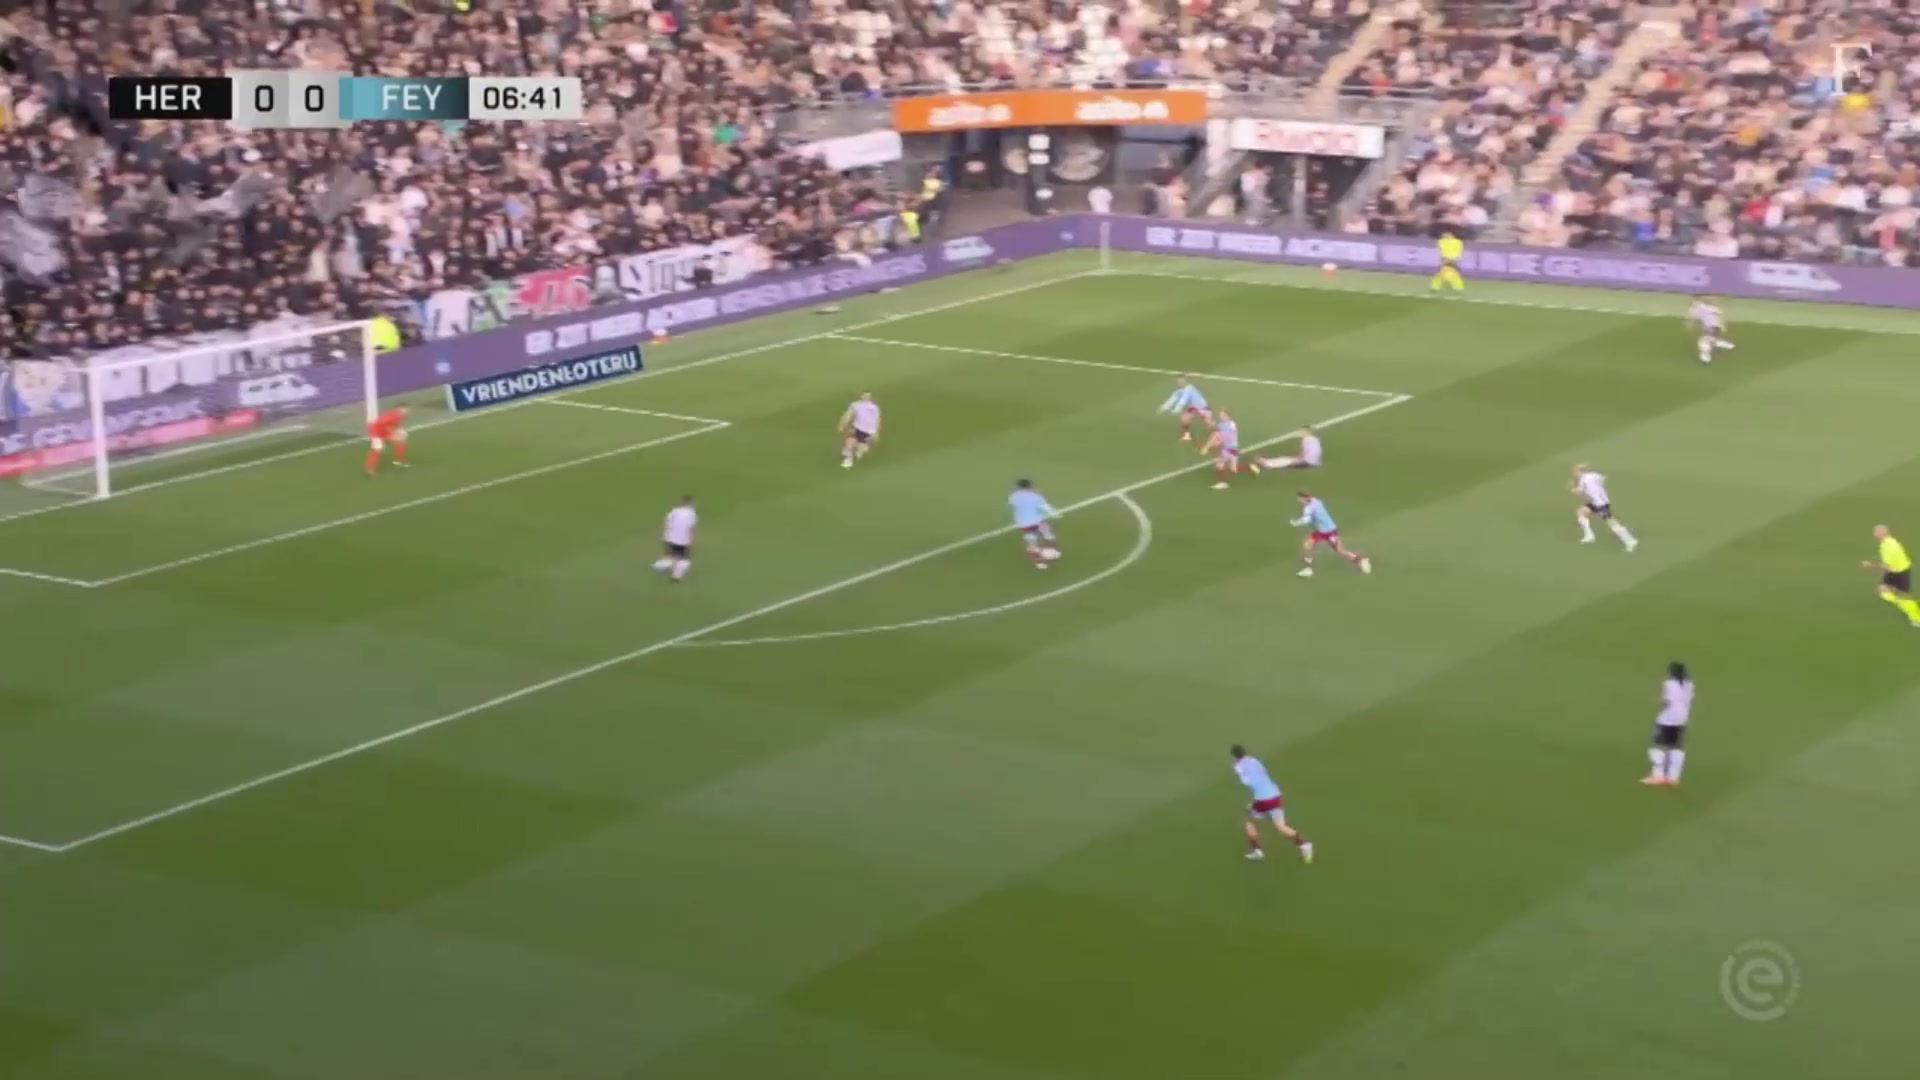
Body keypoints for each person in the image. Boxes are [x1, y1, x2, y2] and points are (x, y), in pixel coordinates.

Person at [1231, 745, 1313, 863]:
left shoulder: (1238, 766)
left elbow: (1245, 781)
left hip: (1262, 800)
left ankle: (1257, 851)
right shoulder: (1254, 760)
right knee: (1281, 827)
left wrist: (1239, 771)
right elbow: (1263, 773)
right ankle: (1304, 844)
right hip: (1275, 795)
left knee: (1249, 821)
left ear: (1234, 756)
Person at [1292, 491, 1370, 577]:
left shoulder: (1310, 508)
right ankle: (1307, 564)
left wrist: (1296, 523)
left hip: (1330, 531)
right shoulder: (1315, 501)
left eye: (1299, 498)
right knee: (1307, 545)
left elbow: (1307, 520)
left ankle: (1359, 559)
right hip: (1320, 531)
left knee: (1340, 551)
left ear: (1305, 498)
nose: (1298, 499)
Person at [1643, 661, 1694, 787]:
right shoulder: (1689, 685)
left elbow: (1667, 701)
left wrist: (1658, 701)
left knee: (1658, 746)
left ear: (1672, 672)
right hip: (1682, 719)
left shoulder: (1669, 684)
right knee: (1676, 747)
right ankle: (1673, 777)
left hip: (1667, 719)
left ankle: (1658, 776)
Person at [1862, 525, 1920, 627]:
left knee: (1901, 597)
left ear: (1883, 533)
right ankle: (1909, 605)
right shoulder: (1888, 542)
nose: (1874, 534)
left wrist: (1870, 566)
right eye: (1875, 532)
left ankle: (1917, 618)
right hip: (1896, 571)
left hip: (1900, 573)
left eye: (1877, 532)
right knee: (1883, 590)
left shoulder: (1889, 547)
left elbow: (1887, 566)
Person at [1571, 465, 1638, 551]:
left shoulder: (1585, 479)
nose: (1574, 474)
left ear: (1580, 472)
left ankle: (1630, 541)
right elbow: (1603, 478)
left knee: (1611, 522)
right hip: (1595, 502)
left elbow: (1579, 492)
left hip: (1600, 503)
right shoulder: (1592, 476)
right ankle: (1589, 536)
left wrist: (1573, 489)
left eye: (1575, 472)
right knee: (1581, 512)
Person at [1009, 478, 1061, 569]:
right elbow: (1045, 507)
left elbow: (1014, 505)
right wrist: (1055, 514)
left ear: (1018, 486)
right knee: (1048, 534)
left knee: (1032, 542)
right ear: (1029, 486)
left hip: (1024, 523)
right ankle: (1054, 552)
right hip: (1037, 521)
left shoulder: (1013, 496)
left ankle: (1039, 563)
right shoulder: (1035, 496)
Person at [1199, 409, 1257, 489]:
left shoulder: (1222, 425)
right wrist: (1213, 427)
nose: (1220, 416)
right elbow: (1221, 431)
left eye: (1222, 415)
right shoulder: (1232, 423)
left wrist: (1207, 447)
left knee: (1219, 465)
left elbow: (1217, 436)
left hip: (1227, 448)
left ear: (1227, 416)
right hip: (1235, 447)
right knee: (1234, 468)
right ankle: (1251, 466)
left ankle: (1222, 483)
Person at [653, 496, 696, 582]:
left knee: (671, 556)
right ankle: (676, 576)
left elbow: (666, 523)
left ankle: (660, 566)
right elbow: (690, 528)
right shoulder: (691, 513)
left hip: (669, 538)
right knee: (683, 559)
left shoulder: (674, 511)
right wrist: (691, 541)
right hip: (682, 540)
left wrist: (664, 535)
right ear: (689, 504)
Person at [1156, 377, 1212, 442]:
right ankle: (1187, 436)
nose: (1178, 384)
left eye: (1181, 382)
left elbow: (1183, 400)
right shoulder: (1178, 391)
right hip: (1193, 409)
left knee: (1208, 423)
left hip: (1202, 407)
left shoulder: (1189, 389)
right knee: (1184, 419)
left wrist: (1176, 410)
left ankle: (1217, 435)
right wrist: (1162, 408)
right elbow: (1171, 400)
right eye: (1178, 382)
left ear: (1185, 383)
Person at [1687, 295, 1735, 364]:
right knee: (1709, 339)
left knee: (1703, 342)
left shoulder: (1697, 309)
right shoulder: (1705, 307)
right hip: (1715, 327)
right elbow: (1719, 312)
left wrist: (1691, 325)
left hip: (1713, 328)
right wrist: (1722, 324)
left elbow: (1694, 320)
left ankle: (1706, 357)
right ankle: (1725, 344)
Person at [839, 392, 882, 469]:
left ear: (871, 398)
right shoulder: (855, 405)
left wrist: (876, 432)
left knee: (860, 452)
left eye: (868, 396)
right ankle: (848, 457)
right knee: (850, 442)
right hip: (856, 428)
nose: (866, 397)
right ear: (861, 396)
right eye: (864, 396)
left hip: (868, 431)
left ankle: (857, 450)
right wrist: (842, 424)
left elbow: (877, 420)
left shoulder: (874, 408)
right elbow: (848, 415)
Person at [365, 405, 410, 475]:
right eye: (405, 410)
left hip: (383, 431)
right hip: (375, 431)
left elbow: (395, 425)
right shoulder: (392, 417)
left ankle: (399, 461)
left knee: (401, 440)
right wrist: (393, 434)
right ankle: (370, 469)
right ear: (399, 409)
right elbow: (382, 424)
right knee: (377, 448)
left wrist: (396, 433)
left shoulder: (397, 415)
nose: (407, 411)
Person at [1258, 425, 1322, 470]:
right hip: (1314, 461)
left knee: (1286, 460)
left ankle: (1266, 463)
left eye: (1302, 431)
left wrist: (1298, 458)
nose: (1300, 433)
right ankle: (1267, 463)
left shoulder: (1306, 440)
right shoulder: (1315, 439)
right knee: (1287, 459)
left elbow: (1304, 452)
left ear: (1307, 431)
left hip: (1307, 462)